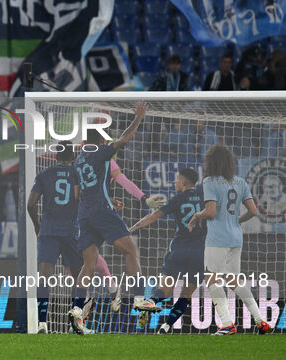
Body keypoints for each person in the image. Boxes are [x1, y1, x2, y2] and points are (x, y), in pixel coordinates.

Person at [67, 102, 157, 335]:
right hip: (102, 211)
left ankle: (77, 310)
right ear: (100, 141)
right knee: (130, 251)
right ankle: (139, 299)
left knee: (88, 265)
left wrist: (108, 197)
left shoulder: (78, 160)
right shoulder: (100, 152)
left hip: (85, 215)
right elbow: (124, 139)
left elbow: (78, 193)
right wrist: (138, 118)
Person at [188, 145, 271, 335]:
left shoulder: (209, 181)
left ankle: (226, 324)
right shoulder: (240, 182)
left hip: (217, 238)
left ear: (211, 162)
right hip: (236, 237)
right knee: (234, 281)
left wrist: (197, 216)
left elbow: (211, 211)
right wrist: (235, 221)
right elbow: (253, 211)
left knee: (211, 278)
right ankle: (260, 321)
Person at [129, 168, 206, 333]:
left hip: (179, 249)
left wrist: (130, 230)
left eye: (177, 179)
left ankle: (147, 308)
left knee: (164, 290)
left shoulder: (177, 199)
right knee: (186, 294)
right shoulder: (204, 198)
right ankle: (166, 326)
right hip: (200, 251)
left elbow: (152, 217)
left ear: (184, 182)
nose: (174, 182)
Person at [26, 143, 86, 334]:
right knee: (79, 278)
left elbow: (30, 204)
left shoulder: (44, 175)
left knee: (44, 277)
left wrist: (38, 227)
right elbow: (83, 199)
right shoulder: (78, 174)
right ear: (73, 157)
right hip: (71, 231)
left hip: (48, 231)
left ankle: (42, 323)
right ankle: (75, 323)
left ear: (56, 156)